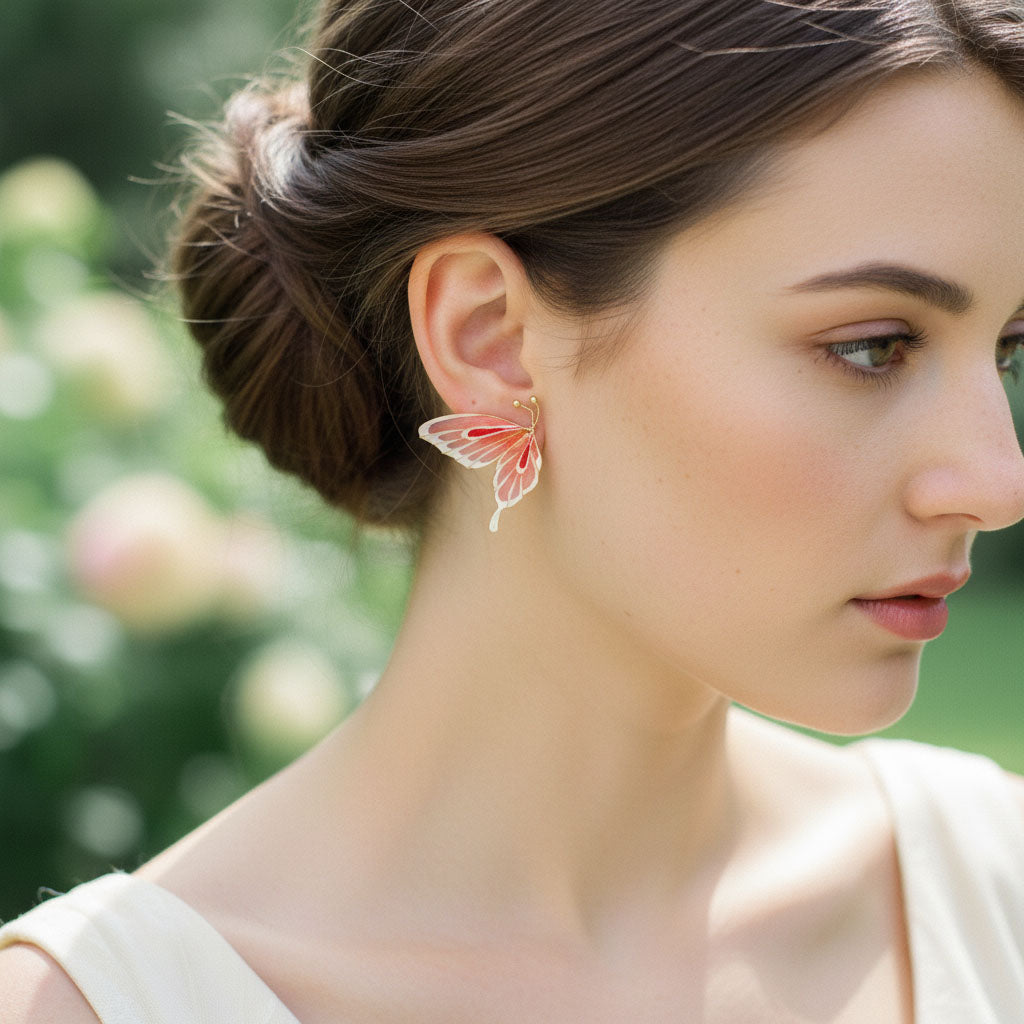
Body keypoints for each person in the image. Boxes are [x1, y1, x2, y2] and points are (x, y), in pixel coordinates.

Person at [3, 0, 1024, 1020]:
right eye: (871, 345)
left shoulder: (993, 890)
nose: (996, 481)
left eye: (1007, 350)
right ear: (489, 334)